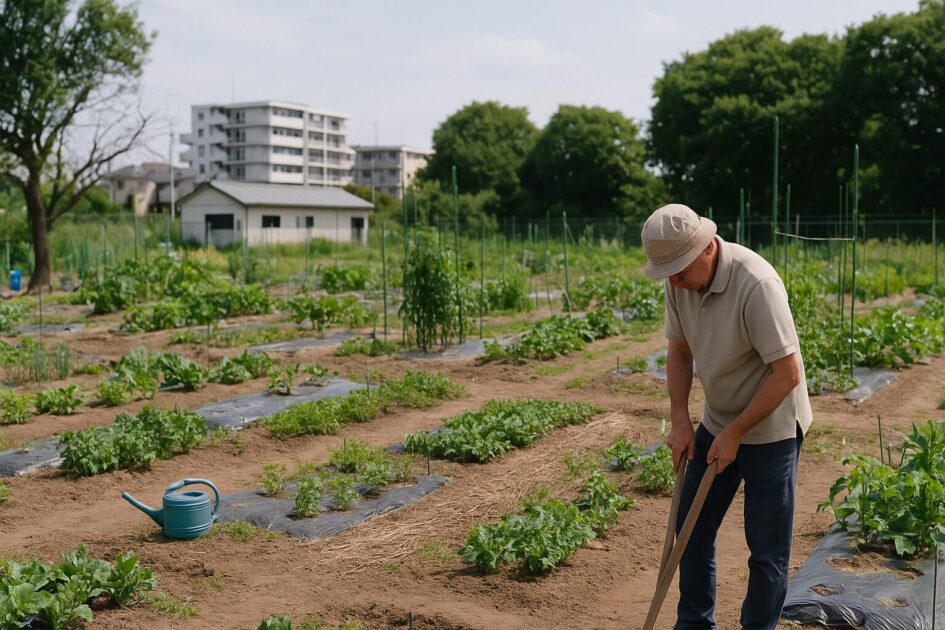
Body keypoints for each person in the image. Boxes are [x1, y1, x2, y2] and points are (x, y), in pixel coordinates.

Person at [640, 204, 813, 630]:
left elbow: (787, 373)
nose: (673, 280)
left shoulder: (757, 284)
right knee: (691, 530)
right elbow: (679, 351)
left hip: (771, 429)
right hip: (716, 420)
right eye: (666, 272)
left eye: (678, 269)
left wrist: (737, 432)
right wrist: (681, 421)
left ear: (705, 249)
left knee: (766, 550)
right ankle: (695, 624)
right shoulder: (678, 283)